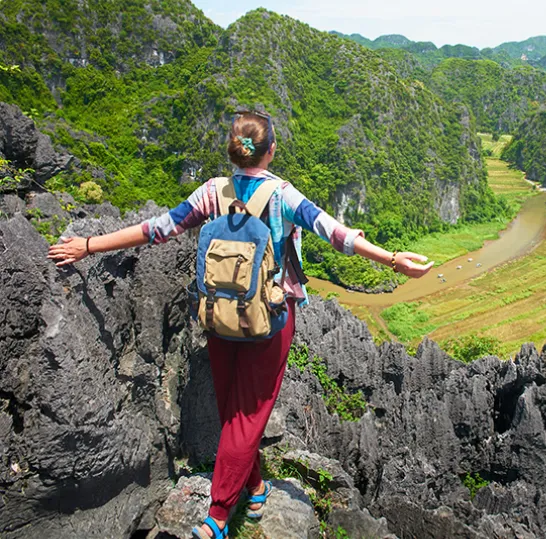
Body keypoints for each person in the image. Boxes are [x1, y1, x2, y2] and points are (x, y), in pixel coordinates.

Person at [48, 111, 433, 539]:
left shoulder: (211, 192)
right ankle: (218, 514)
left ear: (233, 151)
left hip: (218, 315)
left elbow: (156, 230)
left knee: (233, 406)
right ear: (270, 150)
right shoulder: (283, 195)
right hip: (269, 318)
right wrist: (394, 260)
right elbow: (337, 234)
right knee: (248, 414)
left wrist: (87, 245)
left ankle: (253, 486)